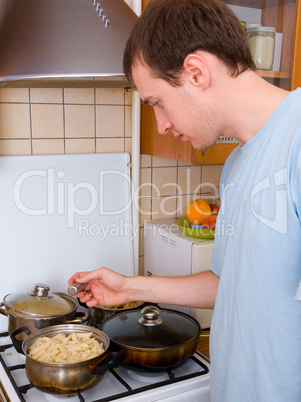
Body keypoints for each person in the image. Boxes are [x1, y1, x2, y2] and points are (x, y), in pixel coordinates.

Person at [68, 0, 301, 401]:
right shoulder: (238, 164)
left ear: (196, 71)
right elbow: (231, 283)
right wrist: (130, 287)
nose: (160, 123)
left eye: (157, 101)